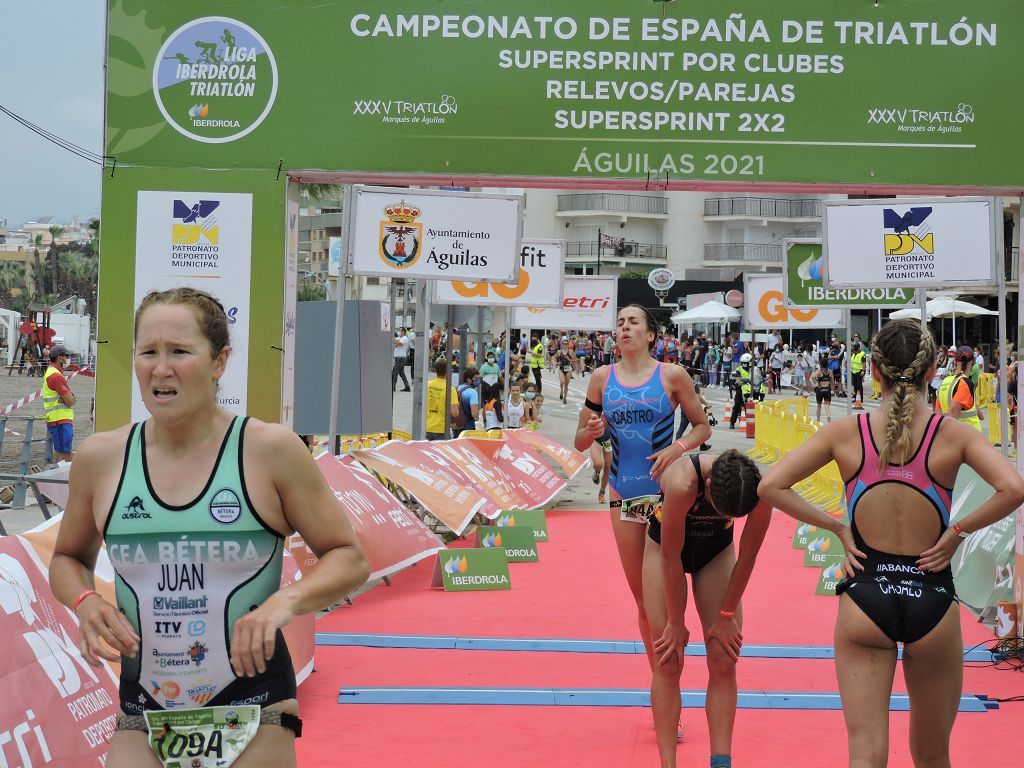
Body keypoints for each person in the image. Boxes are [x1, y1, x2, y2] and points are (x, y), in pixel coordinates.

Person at [48, 287, 370, 768]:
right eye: (148, 352)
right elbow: (67, 559)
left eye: (180, 351)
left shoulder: (270, 451)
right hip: (145, 705)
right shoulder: (101, 459)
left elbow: (349, 557)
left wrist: (283, 603)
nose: (161, 368)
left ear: (219, 362)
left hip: (253, 697)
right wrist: (85, 600)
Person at [758, 318, 1024, 768]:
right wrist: (956, 533)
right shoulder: (953, 434)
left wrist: (839, 528)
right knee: (933, 755)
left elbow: (771, 487)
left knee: (866, 754)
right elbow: (1013, 488)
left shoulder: (846, 433)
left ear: (874, 371)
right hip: (932, 597)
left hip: (866, 596)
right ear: (933, 370)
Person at [574, 304, 710, 682]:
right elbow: (580, 439)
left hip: (666, 496)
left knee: (667, 599)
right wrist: (595, 431)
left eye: (633, 322)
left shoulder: (672, 375)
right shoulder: (602, 378)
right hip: (624, 496)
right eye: (619, 323)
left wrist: (677, 448)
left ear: (651, 334)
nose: (624, 328)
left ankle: (671, 680)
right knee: (644, 602)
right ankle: (664, 685)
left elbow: (701, 428)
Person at [646, 450, 771, 768]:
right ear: (710, 483)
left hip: (716, 553)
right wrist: (675, 621)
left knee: (723, 657)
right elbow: (670, 558)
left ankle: (721, 762)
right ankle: (667, 763)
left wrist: (728, 616)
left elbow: (748, 556)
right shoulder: (682, 482)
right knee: (668, 658)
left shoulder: (762, 490)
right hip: (665, 550)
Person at [42, 344, 77, 463]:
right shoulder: (56, 376)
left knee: (61, 453)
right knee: (64, 455)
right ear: (59, 358)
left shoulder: (52, 372)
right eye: (66, 356)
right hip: (60, 420)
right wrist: (71, 397)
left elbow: (68, 400)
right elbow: (70, 401)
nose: (68, 358)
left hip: (57, 420)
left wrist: (69, 398)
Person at [937, 346, 983, 431]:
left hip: (952, 438)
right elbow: (952, 415)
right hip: (968, 438)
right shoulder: (965, 383)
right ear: (973, 362)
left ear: (955, 361)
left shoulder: (945, 382)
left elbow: (938, 413)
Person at [426, 358, 460, 440]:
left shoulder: (427, 385)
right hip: (441, 429)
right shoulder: (450, 389)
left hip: (425, 427)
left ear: (435, 370)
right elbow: (455, 413)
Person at [454, 366, 481, 436]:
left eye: (479, 378)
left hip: (456, 423)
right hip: (468, 424)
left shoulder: (458, 388)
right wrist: (477, 416)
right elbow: (474, 413)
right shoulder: (472, 392)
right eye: (476, 378)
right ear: (468, 379)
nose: (478, 381)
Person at [810, 358, 834, 423]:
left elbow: (812, 377)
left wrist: (814, 381)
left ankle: (818, 420)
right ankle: (828, 417)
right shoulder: (830, 371)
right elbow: (832, 382)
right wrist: (832, 391)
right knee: (827, 405)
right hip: (827, 390)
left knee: (819, 405)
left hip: (820, 390)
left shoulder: (819, 371)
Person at [850, 342, 867, 409]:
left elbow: (864, 363)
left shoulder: (862, 354)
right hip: (853, 371)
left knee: (859, 385)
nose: (854, 349)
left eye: (855, 347)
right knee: (855, 385)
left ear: (858, 347)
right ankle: (856, 397)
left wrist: (863, 370)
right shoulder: (854, 354)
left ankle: (861, 398)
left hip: (859, 371)